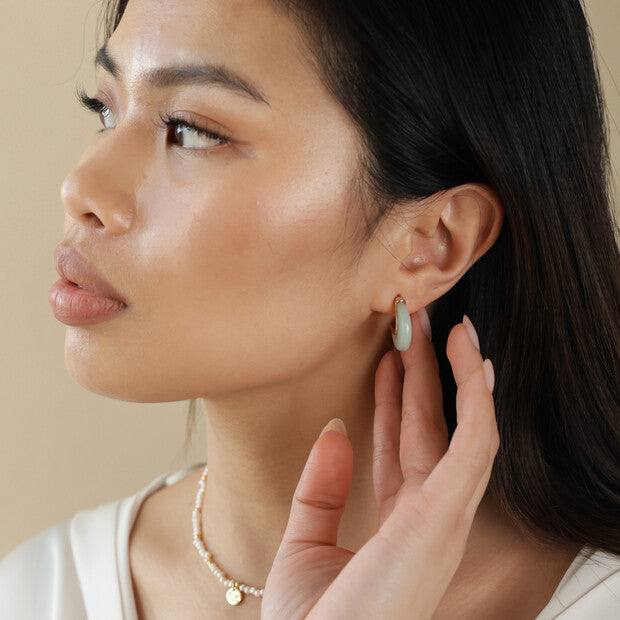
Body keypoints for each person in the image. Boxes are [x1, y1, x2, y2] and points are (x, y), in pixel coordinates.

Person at [1, 0, 618, 618]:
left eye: (190, 130)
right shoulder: (36, 593)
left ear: (428, 244)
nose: (80, 187)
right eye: (105, 110)